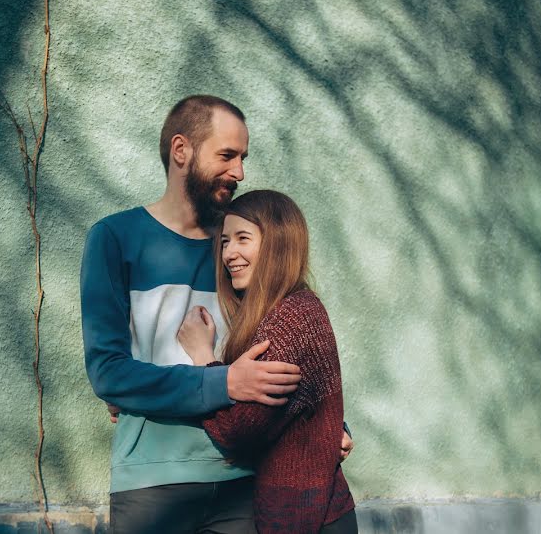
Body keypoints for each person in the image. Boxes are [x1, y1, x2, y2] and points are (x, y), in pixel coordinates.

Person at [81, 95, 352, 533]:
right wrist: (224, 381)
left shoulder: (243, 248)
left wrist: (324, 422)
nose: (239, 172)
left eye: (243, 157)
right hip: (153, 480)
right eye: (227, 155)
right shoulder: (115, 238)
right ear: (181, 151)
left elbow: (290, 344)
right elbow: (109, 374)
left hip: (243, 479)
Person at [177, 190, 357, 534]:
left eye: (243, 238)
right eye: (225, 241)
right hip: (305, 514)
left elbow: (239, 430)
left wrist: (202, 356)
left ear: (277, 244)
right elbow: (296, 413)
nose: (229, 253)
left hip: (310, 519)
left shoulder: (291, 318)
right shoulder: (285, 311)